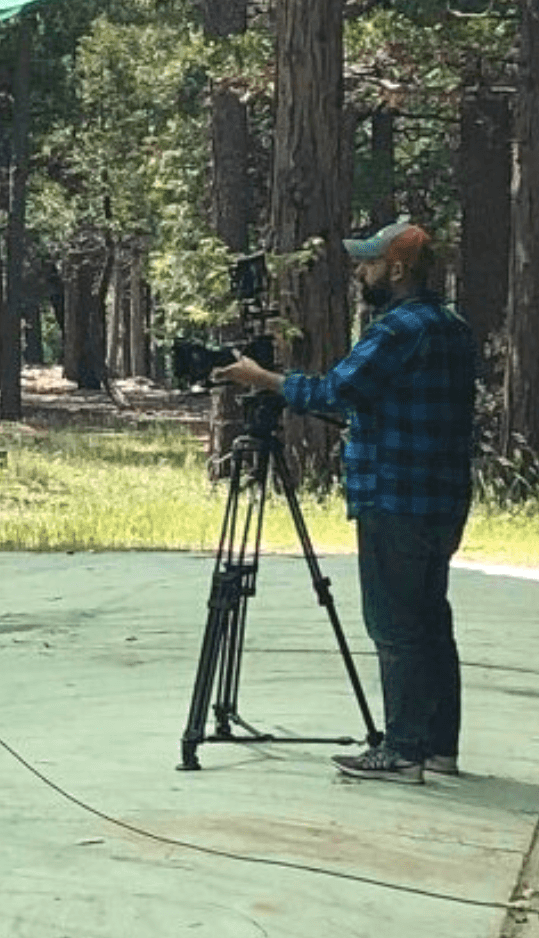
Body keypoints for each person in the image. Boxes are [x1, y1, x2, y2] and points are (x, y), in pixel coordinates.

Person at [213, 219, 474, 785]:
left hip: (395, 495)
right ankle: (438, 747)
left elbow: (336, 390)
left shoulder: (397, 330)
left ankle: (401, 752)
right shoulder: (452, 326)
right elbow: (392, 402)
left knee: (394, 623)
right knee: (432, 620)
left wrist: (264, 378)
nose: (361, 273)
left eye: (369, 264)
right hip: (443, 498)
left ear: (397, 269)